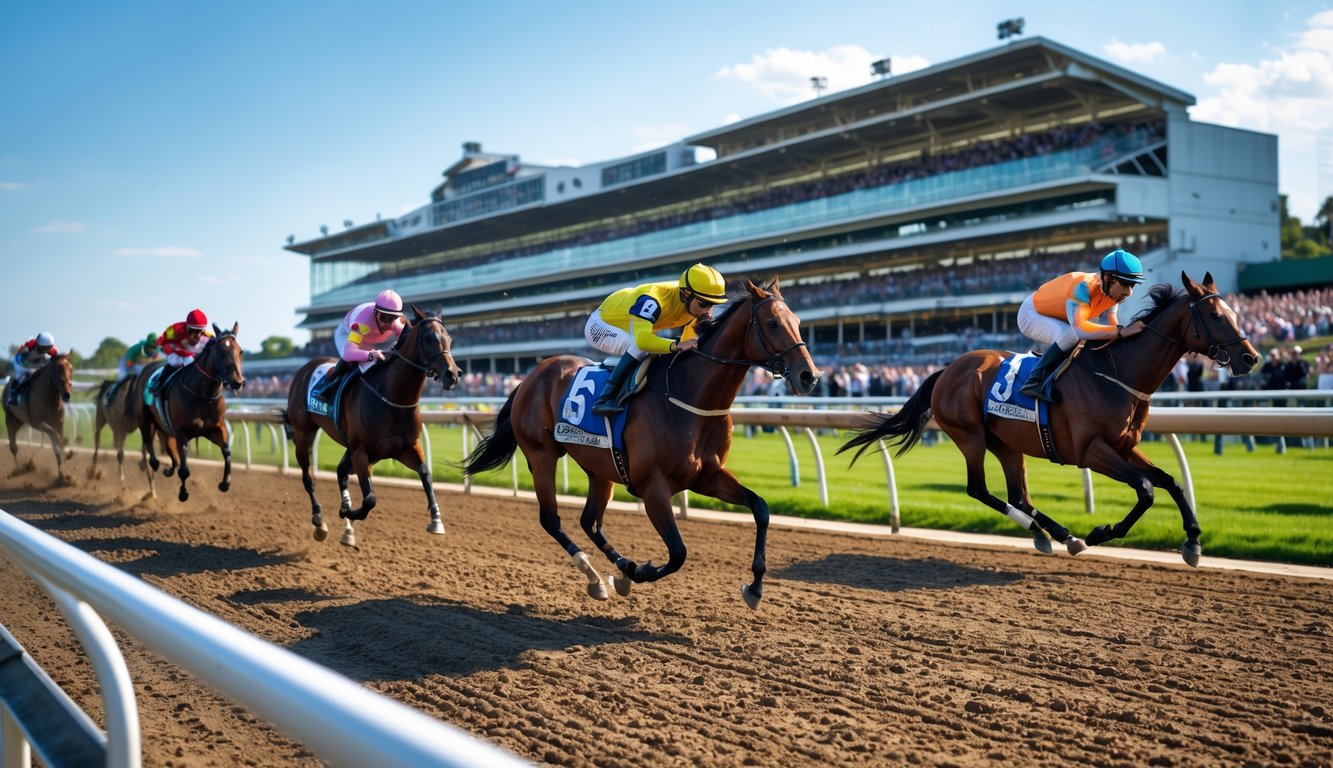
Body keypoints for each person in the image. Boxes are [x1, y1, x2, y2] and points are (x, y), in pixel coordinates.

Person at [585, 263, 728, 416]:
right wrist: (676, 345)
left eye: (713, 304)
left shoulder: (693, 305)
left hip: (634, 327)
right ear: (686, 293)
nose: (708, 310)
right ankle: (605, 398)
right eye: (704, 303)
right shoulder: (652, 299)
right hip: (600, 326)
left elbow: (688, 346)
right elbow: (643, 341)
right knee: (641, 348)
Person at [1016, 248, 1147, 402]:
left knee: (1090, 338)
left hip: (1059, 317)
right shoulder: (1083, 287)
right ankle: (1033, 381)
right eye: (1125, 284)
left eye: (1132, 285)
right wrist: (1121, 332)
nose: (1129, 292)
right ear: (1108, 278)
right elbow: (1081, 329)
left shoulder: (1112, 294)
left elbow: (1113, 327)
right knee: (1071, 336)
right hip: (1031, 314)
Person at [310, 290, 407, 404]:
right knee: (352, 361)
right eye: (384, 317)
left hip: (366, 340)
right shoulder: (362, 323)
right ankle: (325, 389)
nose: (387, 323)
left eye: (392, 318)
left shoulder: (395, 324)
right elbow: (348, 354)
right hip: (346, 335)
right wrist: (371, 354)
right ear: (376, 312)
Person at [151, 309, 213, 395]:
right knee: (174, 361)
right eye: (194, 330)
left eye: (199, 331)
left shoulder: (205, 333)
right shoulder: (174, 328)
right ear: (187, 326)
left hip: (189, 355)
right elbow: (163, 338)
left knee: (192, 364)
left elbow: (214, 339)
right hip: (175, 353)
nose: (197, 334)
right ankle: (158, 384)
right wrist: (157, 347)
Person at [7, 331, 59, 405]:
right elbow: (21, 354)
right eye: (42, 348)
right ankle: (12, 396)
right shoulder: (31, 343)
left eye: (47, 348)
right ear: (37, 344)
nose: (44, 351)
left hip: (38, 363)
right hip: (21, 362)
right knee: (20, 377)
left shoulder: (54, 350)